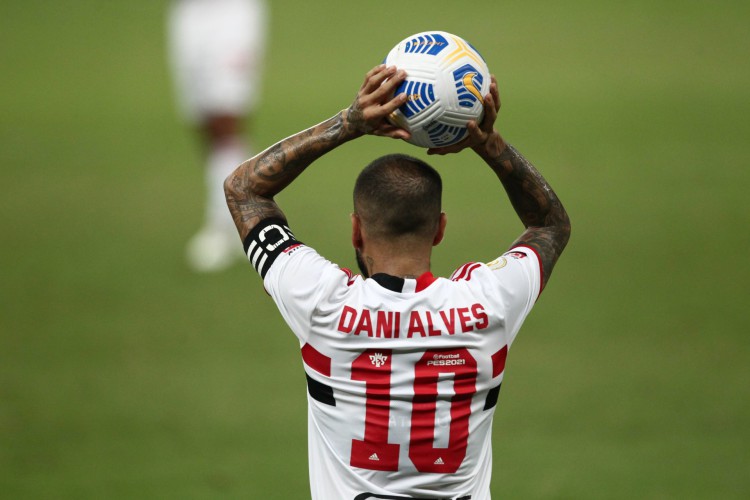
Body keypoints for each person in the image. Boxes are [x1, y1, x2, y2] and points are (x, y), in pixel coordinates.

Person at [224, 64, 571, 499]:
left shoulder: (319, 302)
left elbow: (244, 190)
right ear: (440, 228)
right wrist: (488, 144)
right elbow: (550, 226)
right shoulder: (490, 304)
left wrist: (348, 123)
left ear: (356, 230)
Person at [167, 0, 268, 272]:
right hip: (186, 12)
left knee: (226, 118)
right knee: (203, 122)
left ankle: (227, 224)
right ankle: (254, 206)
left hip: (230, 13)